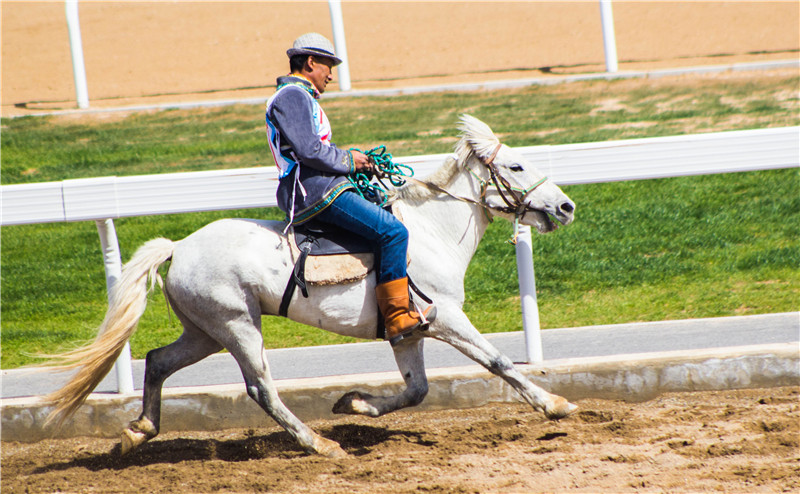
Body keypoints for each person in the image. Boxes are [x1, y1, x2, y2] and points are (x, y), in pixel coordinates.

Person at [265, 33, 434, 345]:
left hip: (318, 185)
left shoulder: (298, 96)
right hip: (315, 192)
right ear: (310, 62)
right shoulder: (292, 96)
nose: (331, 74)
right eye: (328, 65)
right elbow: (309, 150)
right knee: (392, 231)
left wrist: (357, 160)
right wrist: (348, 160)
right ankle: (396, 318)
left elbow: (314, 149)